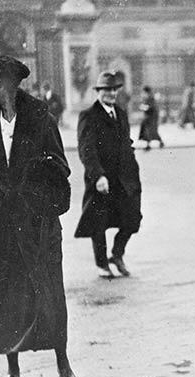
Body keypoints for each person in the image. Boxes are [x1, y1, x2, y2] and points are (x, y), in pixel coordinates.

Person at [0, 55, 78, 377]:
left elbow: (60, 167)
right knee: (4, 295)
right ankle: (12, 370)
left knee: (49, 293)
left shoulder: (40, 116)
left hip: (36, 223)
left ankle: (62, 361)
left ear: (6, 85)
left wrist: (34, 189)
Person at [74, 71, 143, 278]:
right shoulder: (88, 115)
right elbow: (87, 149)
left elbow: (126, 141)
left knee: (132, 218)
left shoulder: (121, 113)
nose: (111, 93)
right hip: (102, 178)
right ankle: (102, 264)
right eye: (107, 90)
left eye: (114, 89)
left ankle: (117, 254)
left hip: (125, 177)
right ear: (99, 92)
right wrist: (98, 176)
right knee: (99, 221)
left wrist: (130, 157)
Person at [138, 85, 165, 150]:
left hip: (151, 117)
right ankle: (153, 144)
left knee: (150, 131)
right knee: (149, 131)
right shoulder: (148, 97)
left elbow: (150, 107)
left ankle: (151, 144)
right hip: (149, 117)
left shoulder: (150, 98)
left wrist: (143, 107)